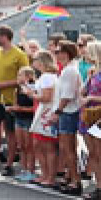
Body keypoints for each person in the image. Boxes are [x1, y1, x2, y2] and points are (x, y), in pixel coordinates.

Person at [0, 26, 30, 176]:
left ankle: (9, 164)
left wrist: (4, 84)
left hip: (13, 100)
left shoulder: (20, 55)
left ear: (4, 37)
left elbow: (26, 79)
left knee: (11, 134)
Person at [51, 40, 83, 195]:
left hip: (68, 112)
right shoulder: (68, 69)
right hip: (67, 111)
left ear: (65, 53)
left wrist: (57, 112)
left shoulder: (69, 70)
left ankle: (75, 181)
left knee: (67, 148)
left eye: (58, 51)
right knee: (67, 148)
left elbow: (67, 95)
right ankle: (70, 177)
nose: (56, 54)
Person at [25, 51, 58, 189]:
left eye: (35, 59)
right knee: (40, 145)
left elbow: (46, 98)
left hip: (46, 112)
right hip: (44, 112)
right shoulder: (47, 76)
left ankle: (49, 177)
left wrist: (31, 94)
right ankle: (45, 175)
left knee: (47, 146)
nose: (33, 61)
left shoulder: (47, 77)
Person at [79, 41, 101, 199]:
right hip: (89, 115)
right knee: (93, 153)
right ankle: (98, 185)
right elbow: (83, 91)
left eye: (87, 51)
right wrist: (87, 79)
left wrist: (91, 97)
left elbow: (91, 95)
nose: (85, 54)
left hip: (98, 116)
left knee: (98, 153)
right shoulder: (93, 72)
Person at [8, 66, 36, 183]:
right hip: (19, 119)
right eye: (18, 75)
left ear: (29, 76)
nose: (18, 77)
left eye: (21, 75)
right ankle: (24, 169)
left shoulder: (33, 89)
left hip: (29, 120)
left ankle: (31, 171)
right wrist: (12, 108)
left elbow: (34, 108)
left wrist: (20, 108)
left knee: (29, 147)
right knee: (21, 146)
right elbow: (16, 104)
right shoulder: (17, 89)